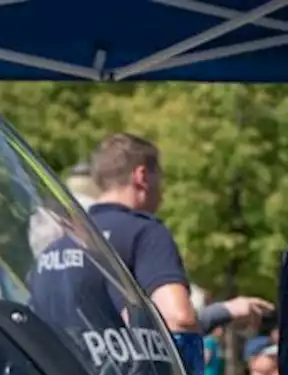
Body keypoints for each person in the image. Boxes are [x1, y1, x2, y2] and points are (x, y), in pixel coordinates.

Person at [86, 134, 271, 334]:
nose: (162, 191)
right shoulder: (145, 231)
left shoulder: (63, 240)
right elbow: (178, 319)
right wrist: (223, 311)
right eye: (160, 178)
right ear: (142, 176)